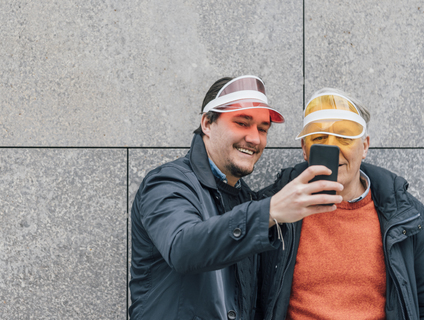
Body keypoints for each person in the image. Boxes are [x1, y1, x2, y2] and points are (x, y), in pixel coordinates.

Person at [128, 76, 344, 320]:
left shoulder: (245, 198)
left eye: (262, 129)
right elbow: (183, 248)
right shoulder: (167, 183)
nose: (254, 138)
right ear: (207, 124)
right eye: (242, 123)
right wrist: (270, 211)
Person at [258, 88, 424, 319]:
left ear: (364, 146)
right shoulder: (271, 208)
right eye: (319, 138)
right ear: (305, 150)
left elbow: (420, 297)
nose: (333, 148)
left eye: (345, 137)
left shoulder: (407, 215)